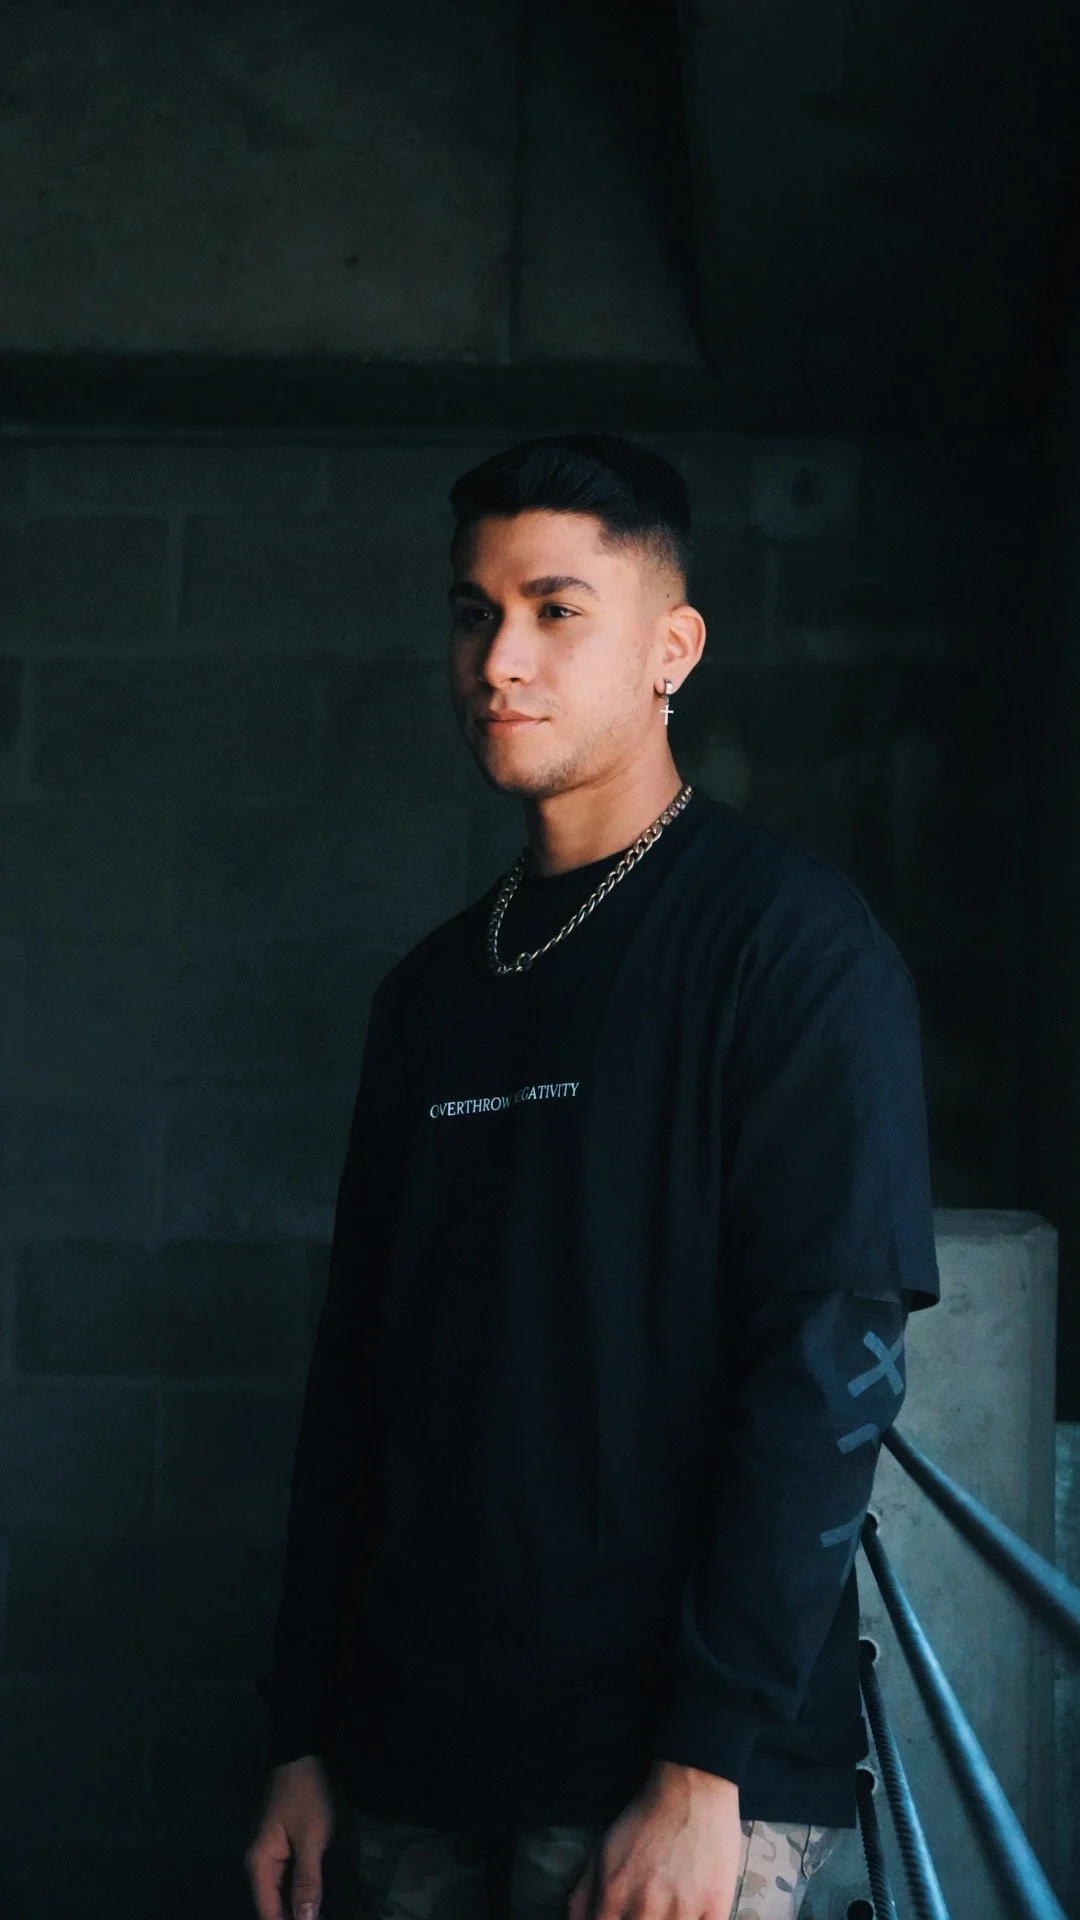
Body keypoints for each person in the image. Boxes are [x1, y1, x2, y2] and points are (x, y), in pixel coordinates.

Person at [243, 434, 941, 1920]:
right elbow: (358, 1385)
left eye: (557, 609)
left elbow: (827, 1367)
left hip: (664, 1783)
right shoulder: (429, 993)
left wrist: (709, 1761)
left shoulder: (791, 950)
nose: (501, 657)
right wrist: (300, 1732)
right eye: (473, 611)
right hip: (409, 1768)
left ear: (670, 647)